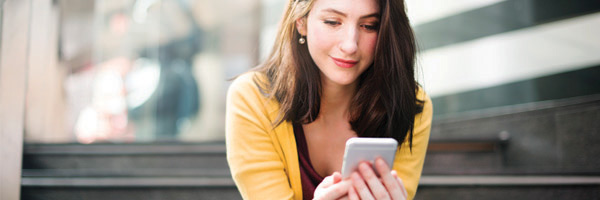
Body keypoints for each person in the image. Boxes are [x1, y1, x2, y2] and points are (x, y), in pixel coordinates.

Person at [226, 0, 432, 199]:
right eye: (333, 22)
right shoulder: (252, 98)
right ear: (301, 21)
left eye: (369, 26)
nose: (350, 45)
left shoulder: (409, 104)